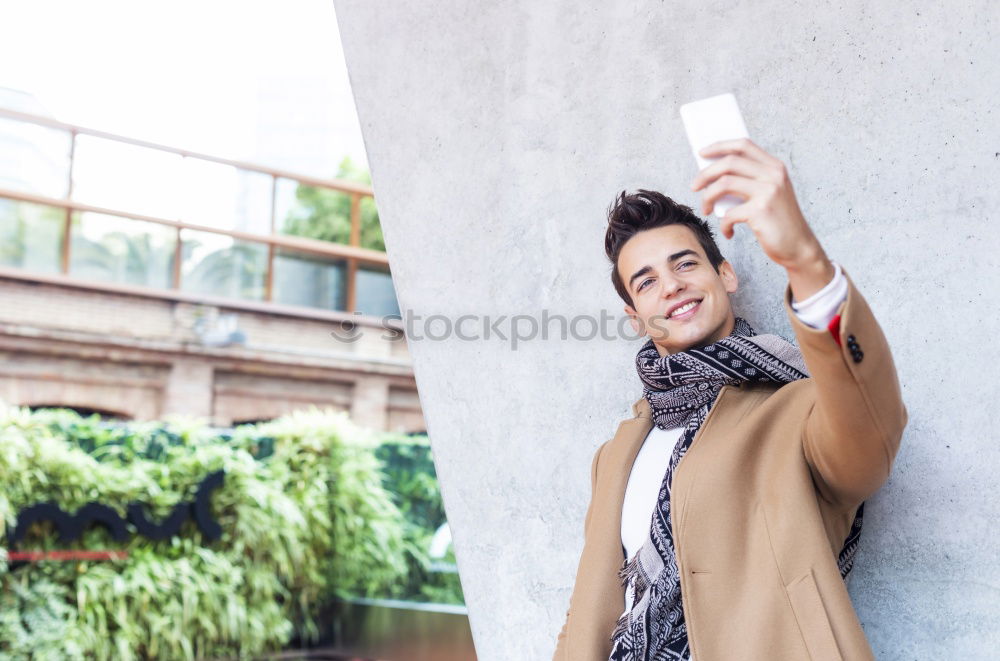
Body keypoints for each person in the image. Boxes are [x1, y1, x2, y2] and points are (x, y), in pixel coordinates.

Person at [552, 138, 908, 661]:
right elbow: (591, 611)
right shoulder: (618, 454)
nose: (670, 286)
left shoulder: (799, 412)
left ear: (726, 275)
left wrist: (804, 260)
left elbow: (870, 429)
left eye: (685, 264)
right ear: (636, 316)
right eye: (646, 282)